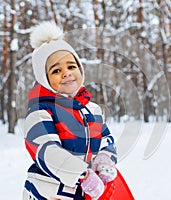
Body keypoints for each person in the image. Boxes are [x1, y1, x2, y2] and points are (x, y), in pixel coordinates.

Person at [23, 21, 117, 200]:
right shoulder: (40, 112)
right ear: (44, 78)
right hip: (48, 192)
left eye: (71, 66)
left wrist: (104, 160)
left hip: (82, 193)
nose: (66, 73)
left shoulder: (92, 109)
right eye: (56, 70)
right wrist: (84, 176)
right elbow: (47, 150)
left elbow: (106, 138)